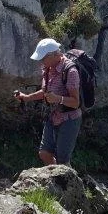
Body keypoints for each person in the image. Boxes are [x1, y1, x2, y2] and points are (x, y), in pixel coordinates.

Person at [13, 38, 82, 166]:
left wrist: (58, 99)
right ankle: (57, 179)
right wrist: (26, 97)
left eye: (43, 58)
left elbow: (76, 102)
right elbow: (45, 92)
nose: (41, 61)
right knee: (44, 153)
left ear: (54, 55)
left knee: (62, 160)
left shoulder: (70, 72)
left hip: (69, 119)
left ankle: (68, 183)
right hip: (53, 116)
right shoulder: (47, 69)